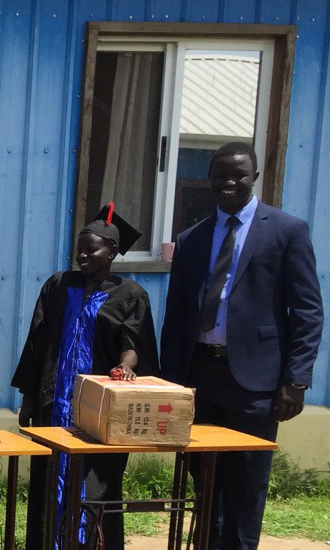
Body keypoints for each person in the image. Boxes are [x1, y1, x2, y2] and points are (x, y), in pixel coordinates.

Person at [160, 142, 322, 550]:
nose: (229, 183)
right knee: (204, 481)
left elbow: (307, 311)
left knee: (247, 485)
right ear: (210, 177)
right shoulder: (192, 238)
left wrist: (296, 380)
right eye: (221, 175)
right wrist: (169, 382)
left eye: (239, 175)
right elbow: (176, 314)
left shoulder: (287, 230)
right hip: (200, 377)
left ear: (255, 177)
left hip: (257, 383)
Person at [12, 204, 159, 550]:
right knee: (47, 487)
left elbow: (133, 343)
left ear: (111, 251)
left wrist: (126, 366)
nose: (81, 255)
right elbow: (36, 343)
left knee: (97, 488)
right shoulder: (58, 286)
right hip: (53, 410)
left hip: (99, 416)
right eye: (79, 248)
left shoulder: (129, 294)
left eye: (90, 249)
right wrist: (28, 399)